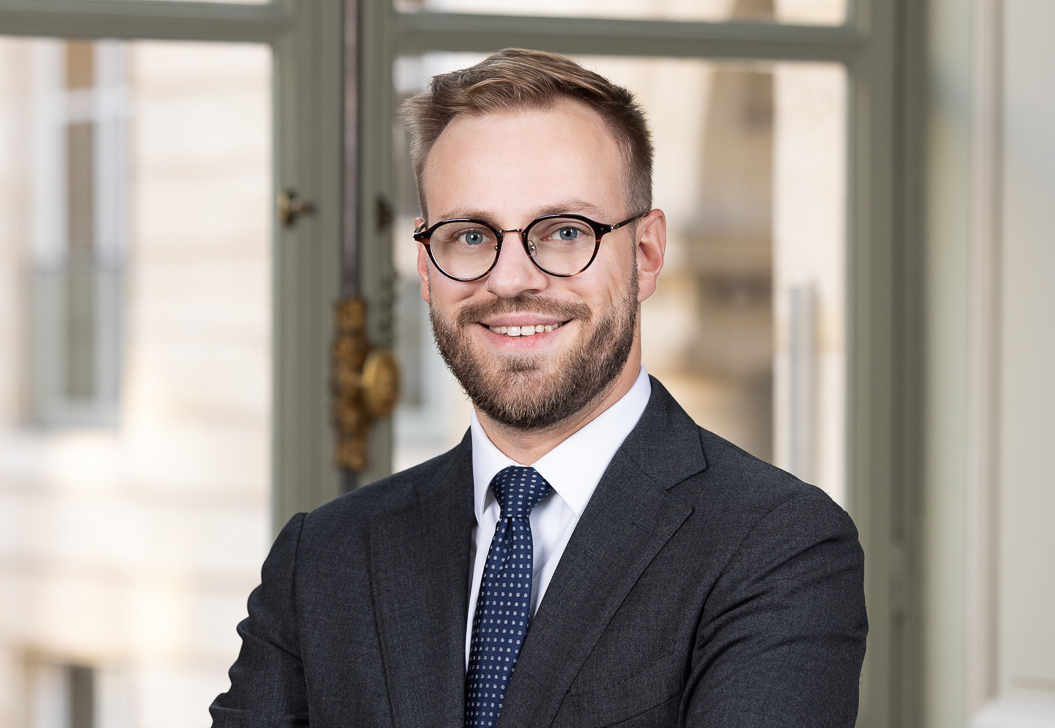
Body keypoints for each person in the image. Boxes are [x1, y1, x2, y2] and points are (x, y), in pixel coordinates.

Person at [210, 48, 867, 728]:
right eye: (470, 236)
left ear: (645, 254)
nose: (511, 279)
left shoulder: (779, 548)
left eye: (563, 232)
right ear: (426, 268)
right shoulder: (323, 557)